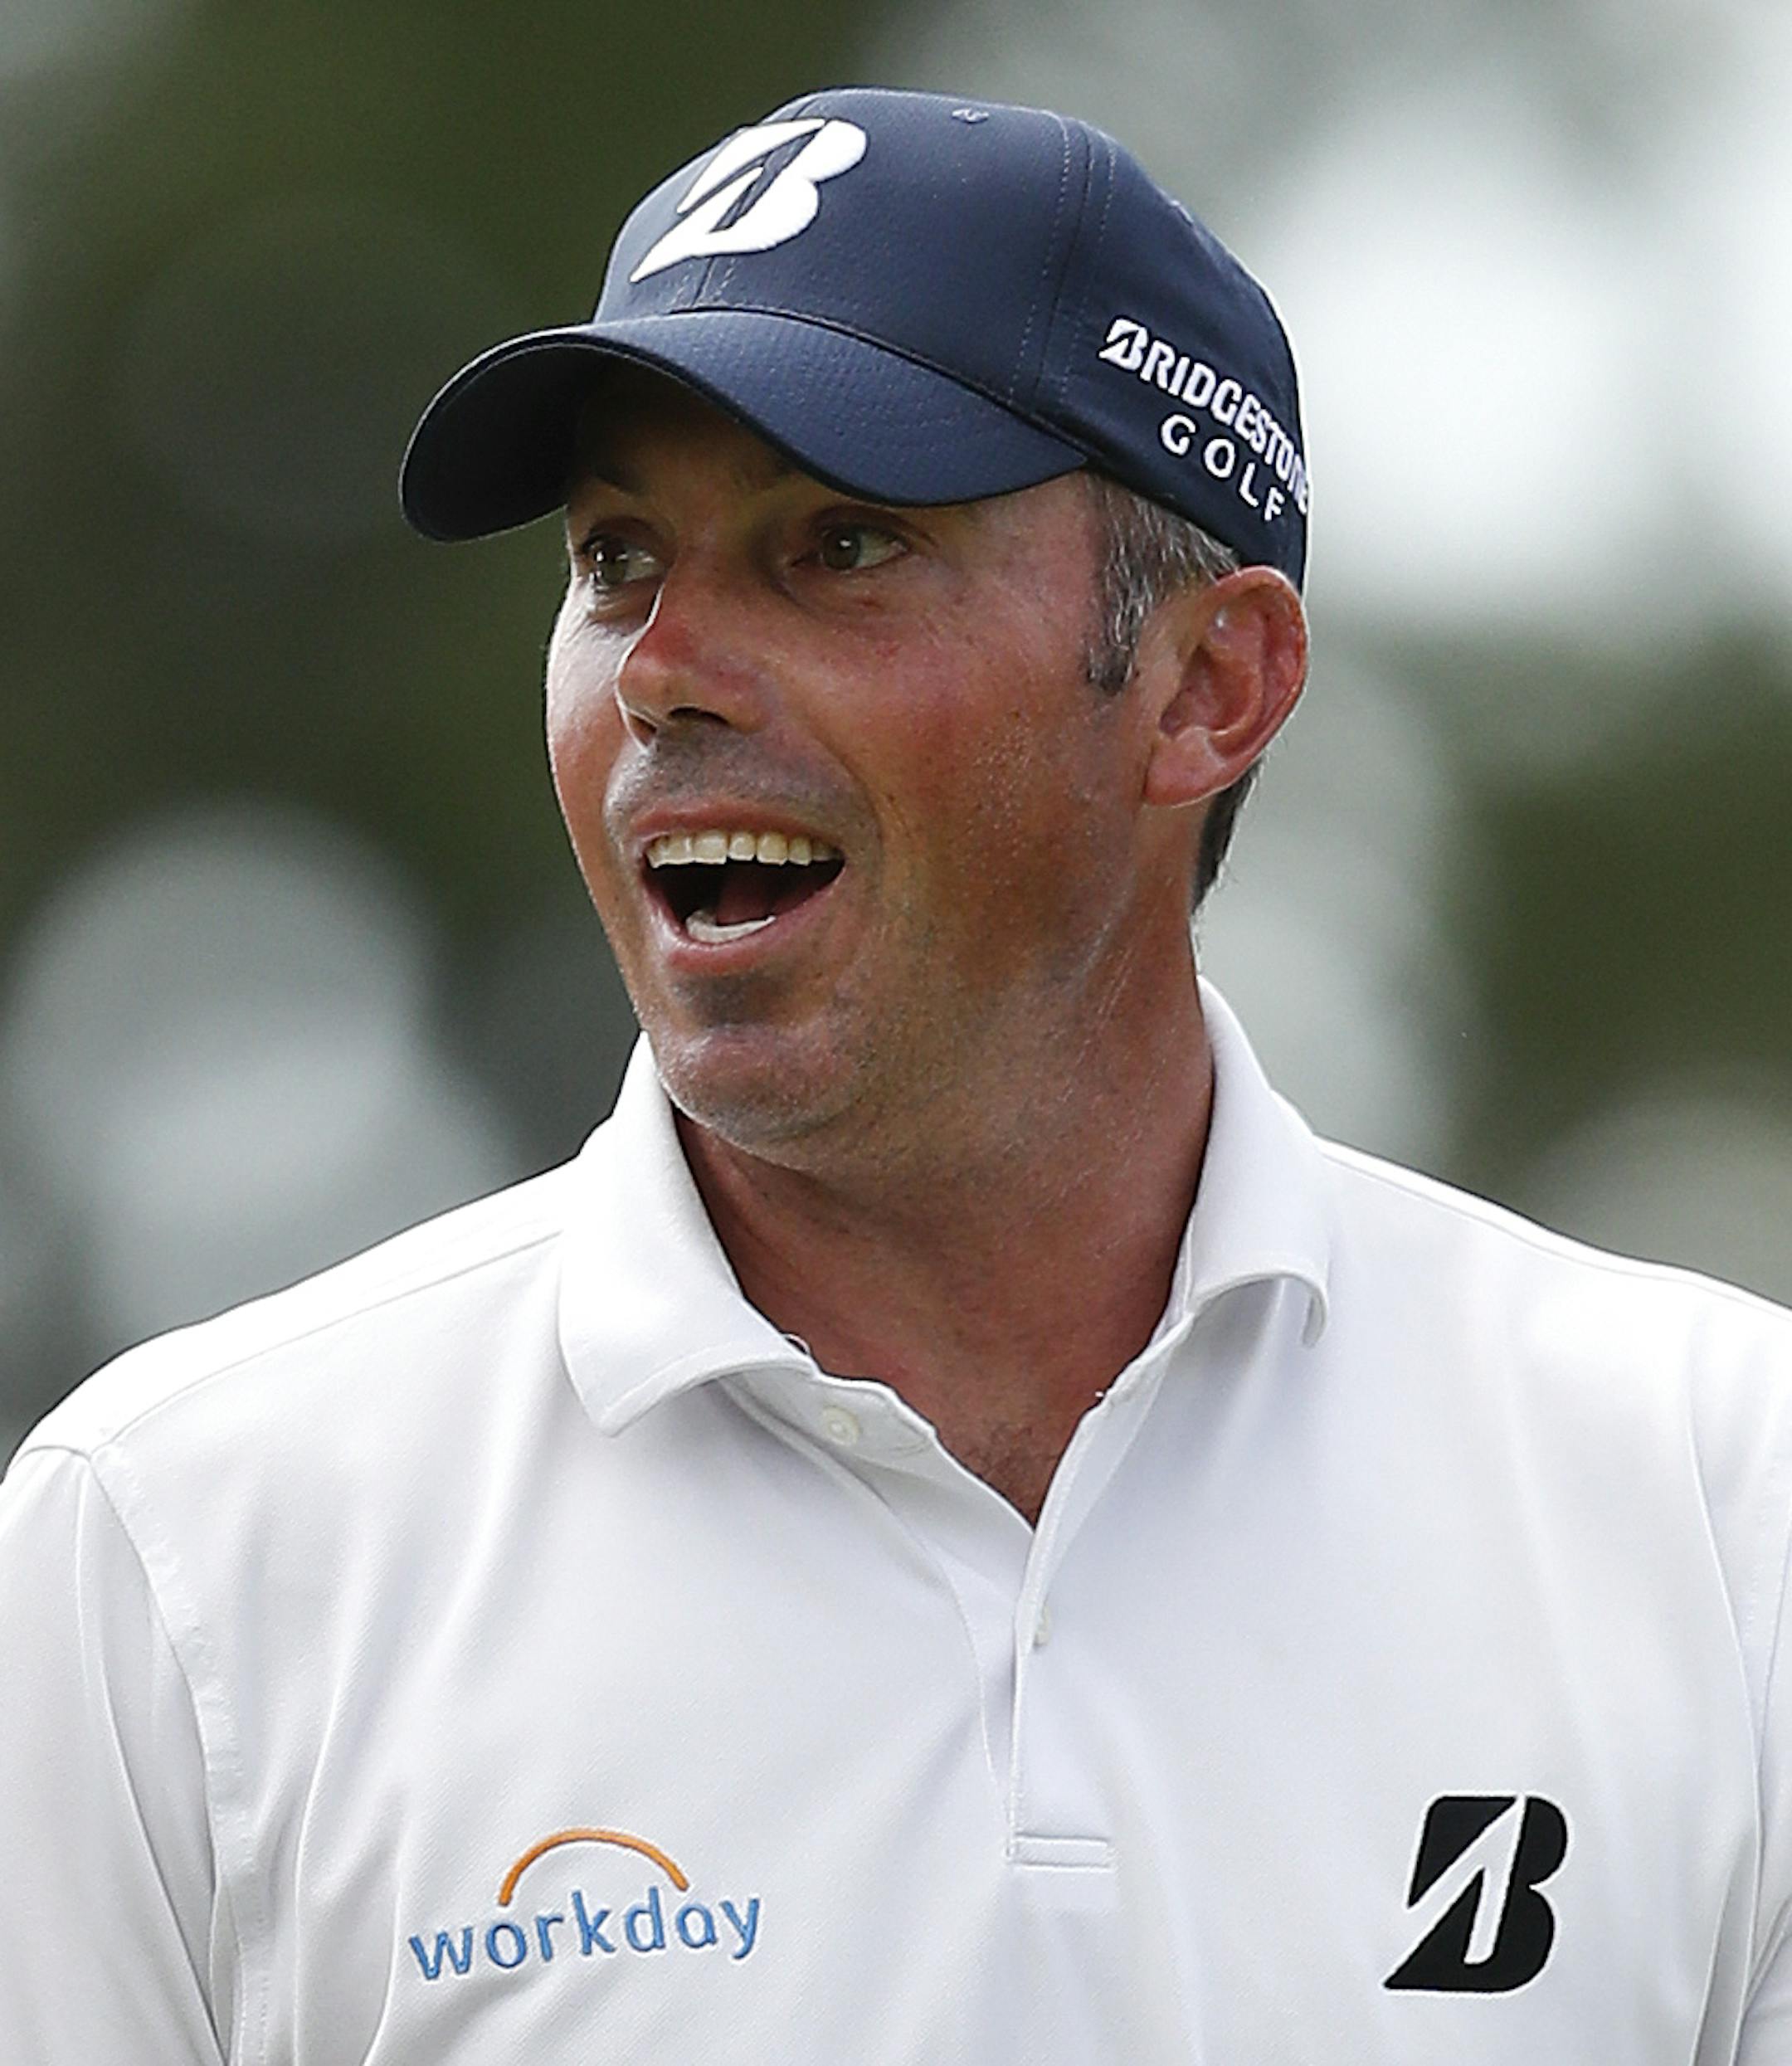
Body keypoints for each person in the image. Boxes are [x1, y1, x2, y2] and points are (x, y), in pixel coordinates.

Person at [2, 84, 1790, 2065]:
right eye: (615, 559)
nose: (665, 666)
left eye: (838, 545)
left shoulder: (1723, 1503)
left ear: (1212, 685)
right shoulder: (170, 1549)